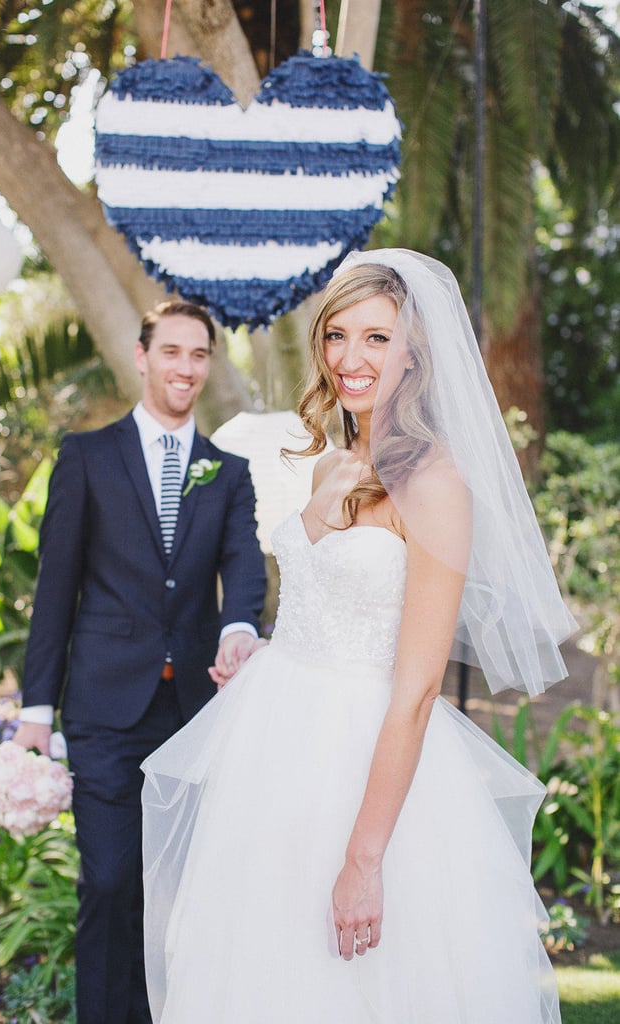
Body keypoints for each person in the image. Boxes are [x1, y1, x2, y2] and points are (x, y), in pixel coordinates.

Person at [140, 251, 578, 1023]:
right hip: (275, 751)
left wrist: (362, 860)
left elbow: (414, 691)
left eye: (377, 339)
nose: (349, 358)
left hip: (371, 762)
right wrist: (262, 651)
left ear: (415, 353)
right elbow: (319, 609)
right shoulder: (332, 468)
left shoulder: (436, 484)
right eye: (337, 335)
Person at [14, 299, 266, 1024]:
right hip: (103, 710)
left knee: (179, 893)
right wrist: (36, 709)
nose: (184, 367)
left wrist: (239, 627)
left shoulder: (227, 472)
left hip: (191, 713)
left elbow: (242, 565)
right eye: (172, 352)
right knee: (111, 880)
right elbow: (55, 587)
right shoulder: (86, 456)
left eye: (198, 355)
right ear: (142, 355)